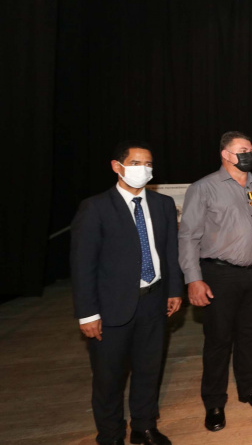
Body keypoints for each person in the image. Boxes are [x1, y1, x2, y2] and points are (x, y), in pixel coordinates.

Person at [70, 141, 183, 445]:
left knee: (149, 369)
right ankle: (111, 434)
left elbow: (170, 252)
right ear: (116, 166)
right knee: (108, 378)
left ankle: (144, 427)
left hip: (154, 302)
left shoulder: (163, 204)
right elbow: (82, 265)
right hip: (111, 308)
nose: (143, 169)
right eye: (135, 163)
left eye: (148, 164)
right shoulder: (95, 208)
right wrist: (87, 314)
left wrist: (174, 289)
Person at [178, 131, 252, 432]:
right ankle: (214, 402)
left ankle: (248, 388)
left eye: (251, 149)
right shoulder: (203, 188)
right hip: (219, 274)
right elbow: (188, 237)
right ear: (225, 154)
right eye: (242, 150)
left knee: (250, 335)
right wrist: (193, 279)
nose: (248, 154)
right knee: (218, 339)